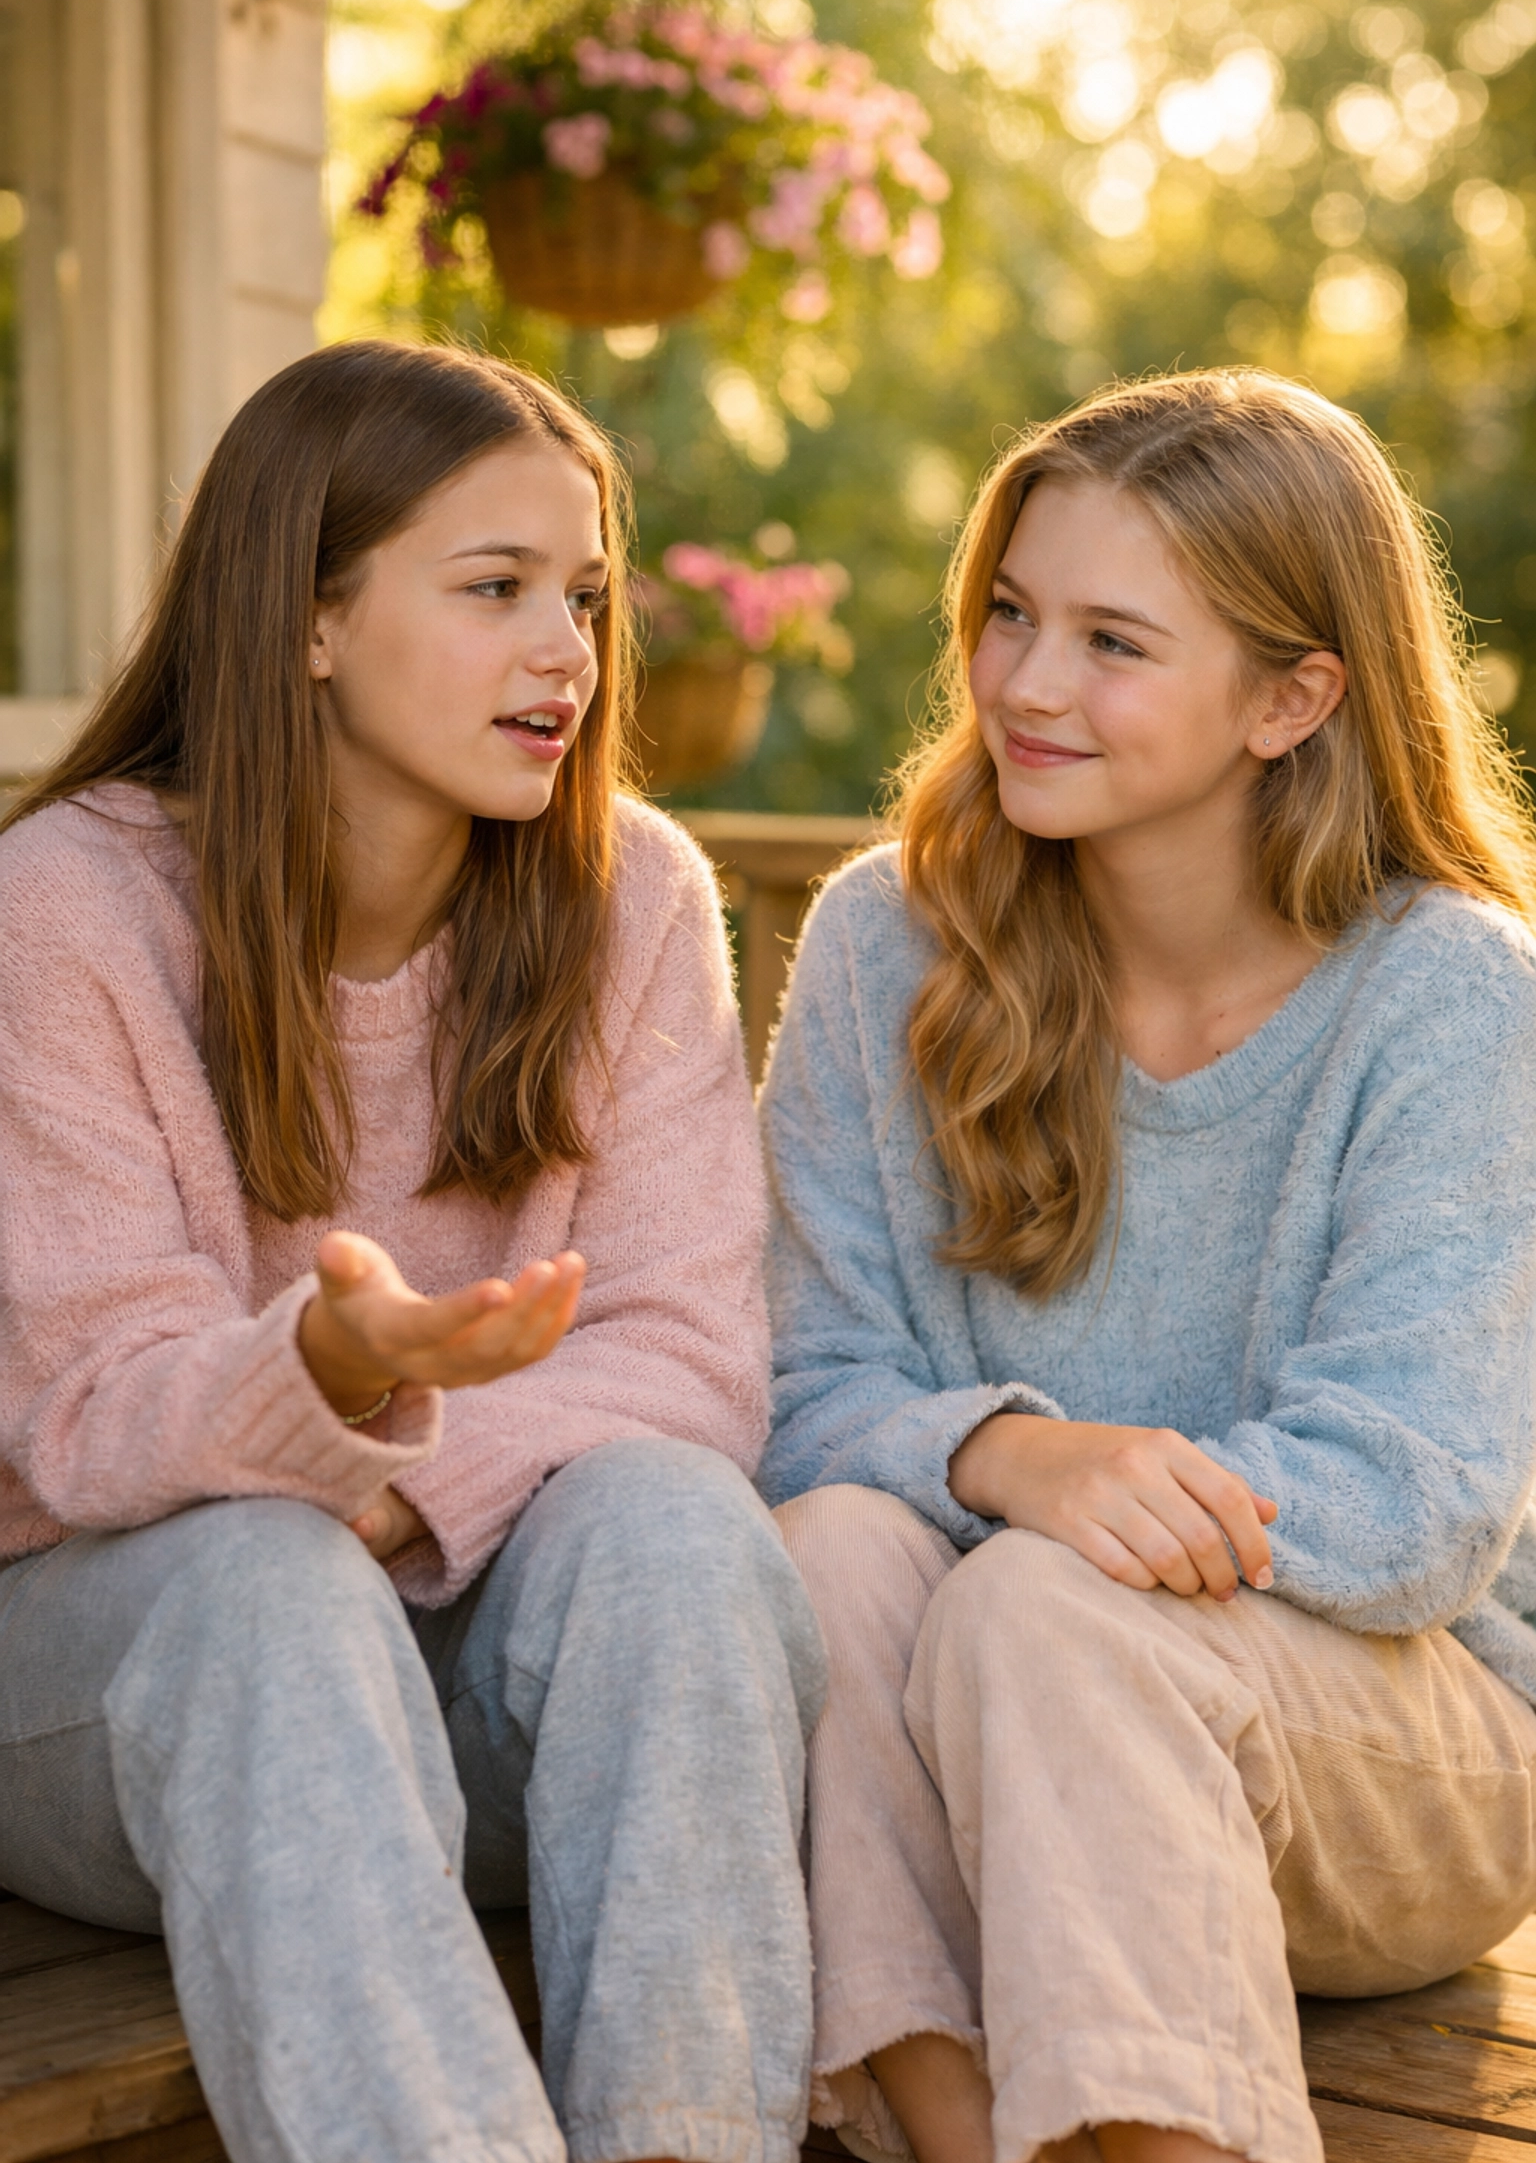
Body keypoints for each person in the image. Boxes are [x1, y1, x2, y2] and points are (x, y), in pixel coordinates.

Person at [0, 339, 825, 2163]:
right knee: (262, 1584)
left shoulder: (635, 902)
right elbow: (80, 1416)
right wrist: (328, 1376)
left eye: (586, 598)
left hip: (477, 1702)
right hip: (123, 1704)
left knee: (680, 1531)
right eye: (497, 591)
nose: (569, 655)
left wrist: (396, 1470)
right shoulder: (70, 906)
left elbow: (691, 1358)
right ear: (307, 619)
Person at [758, 369, 1536, 2163]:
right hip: (1003, 1727)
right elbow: (798, 1394)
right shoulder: (891, 941)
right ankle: (962, 2132)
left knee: (1042, 1607)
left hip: (1396, 1756)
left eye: (1114, 640)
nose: (1028, 685)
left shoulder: (1447, 992)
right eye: (1011, 616)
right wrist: (1015, 1457)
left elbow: (1414, 1499)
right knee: (828, 1552)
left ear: (1292, 696)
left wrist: (1078, 1535)